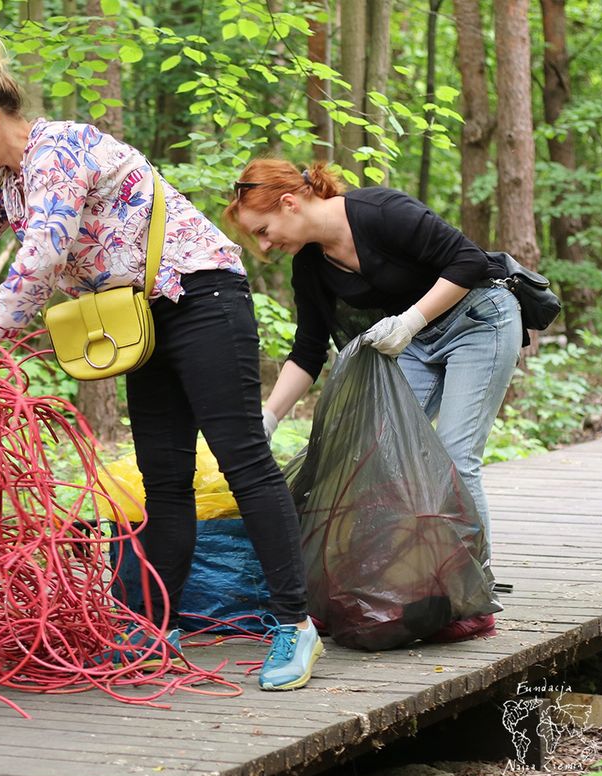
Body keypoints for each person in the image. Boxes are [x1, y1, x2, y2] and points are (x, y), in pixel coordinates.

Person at [0, 34, 322, 691]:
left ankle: (295, 624)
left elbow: (46, 252)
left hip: (201, 296)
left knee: (241, 457)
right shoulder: (1, 183)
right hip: (137, 317)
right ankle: (154, 626)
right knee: (161, 474)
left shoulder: (61, 148)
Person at [223, 158, 521, 642]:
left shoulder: (379, 210)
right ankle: (388, 584)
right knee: (373, 455)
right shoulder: (310, 265)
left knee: (453, 456)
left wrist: (409, 322)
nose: (264, 245)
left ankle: (473, 592)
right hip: (413, 340)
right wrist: (270, 416)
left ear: (289, 203)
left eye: (263, 230)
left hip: (480, 320)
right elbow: (308, 350)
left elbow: (468, 260)